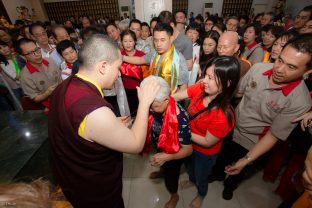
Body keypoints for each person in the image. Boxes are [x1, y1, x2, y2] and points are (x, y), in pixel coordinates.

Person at [48, 34, 160, 208]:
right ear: (103, 66)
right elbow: (136, 144)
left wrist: (110, 124)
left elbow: (75, 124)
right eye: (118, 68)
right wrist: (144, 103)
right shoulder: (95, 111)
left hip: (72, 179)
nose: (119, 73)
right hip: (95, 190)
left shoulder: (66, 85)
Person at [209, 34, 312, 201]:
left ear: (307, 71)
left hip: (254, 141)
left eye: (291, 67)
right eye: (279, 60)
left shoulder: (300, 100)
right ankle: (217, 175)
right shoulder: (258, 69)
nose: (279, 69)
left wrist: (246, 159)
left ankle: (230, 186)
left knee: (239, 168)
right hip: (232, 127)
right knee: (221, 158)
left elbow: (273, 135)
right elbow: (238, 95)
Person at [173, 56, 240, 208]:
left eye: (210, 78)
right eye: (205, 75)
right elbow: (180, 95)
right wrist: (164, 98)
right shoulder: (202, 88)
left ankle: (201, 194)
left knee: (201, 175)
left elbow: (207, 141)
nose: (203, 80)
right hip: (188, 144)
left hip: (205, 152)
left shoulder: (224, 115)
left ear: (227, 83)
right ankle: (191, 180)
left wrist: (182, 130)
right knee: (189, 166)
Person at [142, 75, 192, 208]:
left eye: (153, 107)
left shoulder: (180, 118)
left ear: (165, 100)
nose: (150, 110)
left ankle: (174, 195)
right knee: (162, 163)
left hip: (174, 154)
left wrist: (168, 157)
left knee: (171, 177)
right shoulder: (156, 105)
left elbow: (188, 149)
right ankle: (162, 171)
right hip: (161, 145)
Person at [122, 23, 189, 93]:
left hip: (168, 100)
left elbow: (183, 90)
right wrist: (122, 57)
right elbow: (140, 59)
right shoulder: (155, 53)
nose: (158, 44)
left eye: (162, 40)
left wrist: (169, 100)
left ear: (171, 39)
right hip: (152, 95)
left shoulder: (178, 60)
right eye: (156, 40)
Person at [16, 38, 62, 109]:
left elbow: (60, 79)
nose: (37, 54)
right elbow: (35, 99)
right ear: (23, 56)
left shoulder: (49, 61)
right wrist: (47, 93)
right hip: (48, 105)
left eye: (37, 49)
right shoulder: (25, 76)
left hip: (62, 97)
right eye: (31, 53)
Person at [120, 30, 144, 114]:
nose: (128, 44)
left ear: (135, 41)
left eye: (130, 41)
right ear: (122, 42)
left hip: (139, 90)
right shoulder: (119, 55)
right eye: (125, 41)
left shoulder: (141, 55)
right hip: (124, 91)